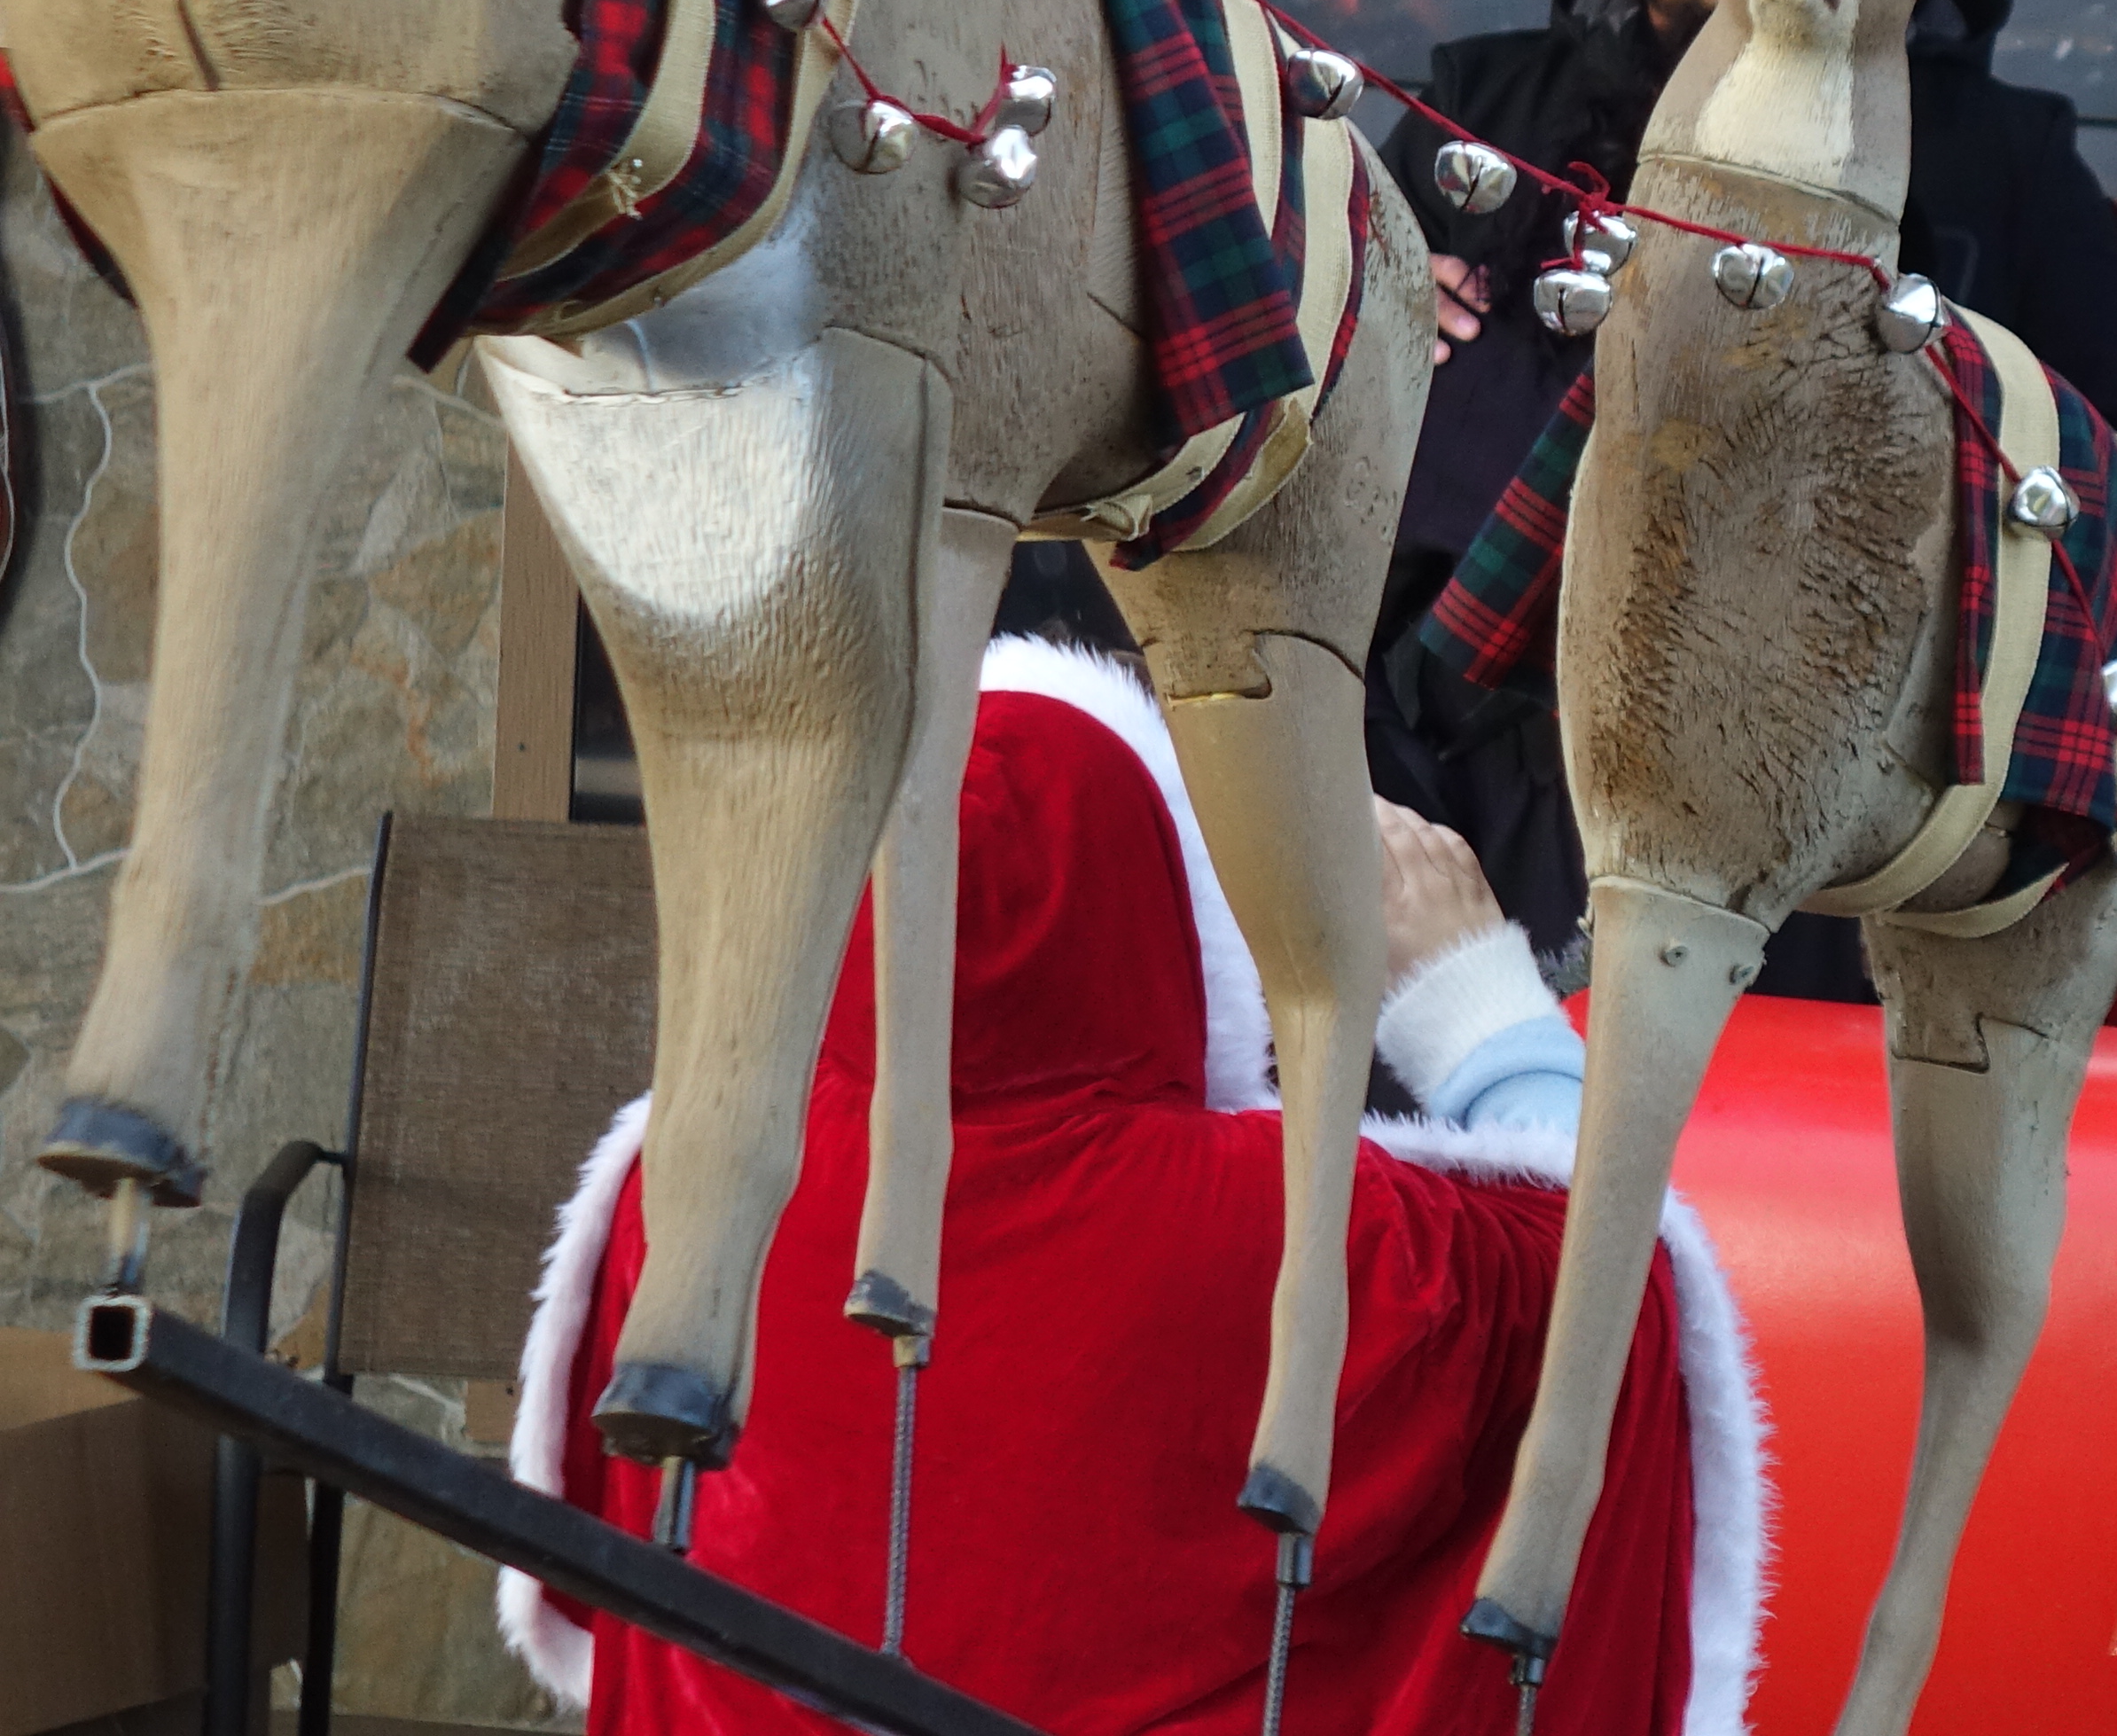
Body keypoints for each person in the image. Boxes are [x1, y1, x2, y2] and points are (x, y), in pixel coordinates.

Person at [504, 639, 1763, 1736]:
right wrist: (1469, 994)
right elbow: (1608, 1292)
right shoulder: (1309, 1244)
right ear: (1168, 902)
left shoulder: (692, 1183)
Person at [1371, 0, 2117, 955]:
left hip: (1817, 810)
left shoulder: (1998, 163)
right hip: (1457, 771)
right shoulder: (1477, 118)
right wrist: (1372, 328)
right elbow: (1291, 413)